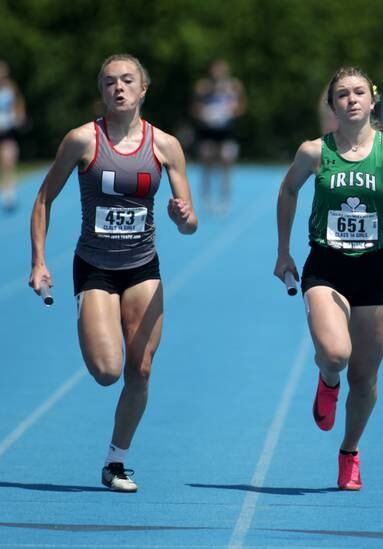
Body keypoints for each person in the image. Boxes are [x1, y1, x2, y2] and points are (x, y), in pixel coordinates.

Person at [29, 54, 198, 492]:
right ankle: (88, 313)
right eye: (109, 82)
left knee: (140, 370)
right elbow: (44, 197)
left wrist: (182, 216)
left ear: (144, 90)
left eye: (127, 81)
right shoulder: (82, 141)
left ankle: (116, 462)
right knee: (107, 371)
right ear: (101, 91)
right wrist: (39, 260)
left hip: (143, 267)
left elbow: (190, 221)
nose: (118, 88)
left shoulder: (166, 146)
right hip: (95, 268)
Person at [274, 67, 383, 491]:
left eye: (359, 93)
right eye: (342, 94)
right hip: (326, 266)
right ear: (332, 105)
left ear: (373, 101)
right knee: (336, 354)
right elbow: (287, 191)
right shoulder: (314, 152)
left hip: (373, 271)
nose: (352, 99)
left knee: (366, 379)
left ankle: (350, 451)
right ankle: (327, 379)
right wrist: (283, 251)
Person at [192, 59, 246, 215]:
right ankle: (206, 198)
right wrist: (205, 114)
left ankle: (224, 198)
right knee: (206, 161)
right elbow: (195, 107)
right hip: (208, 130)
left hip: (226, 130)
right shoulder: (203, 87)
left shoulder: (234, 86)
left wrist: (229, 112)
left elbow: (241, 106)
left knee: (226, 162)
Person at [0, 60, 26, 212]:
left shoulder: (11, 87)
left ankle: (9, 191)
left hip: (8, 131)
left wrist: (20, 117)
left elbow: (19, 103)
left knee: (9, 159)